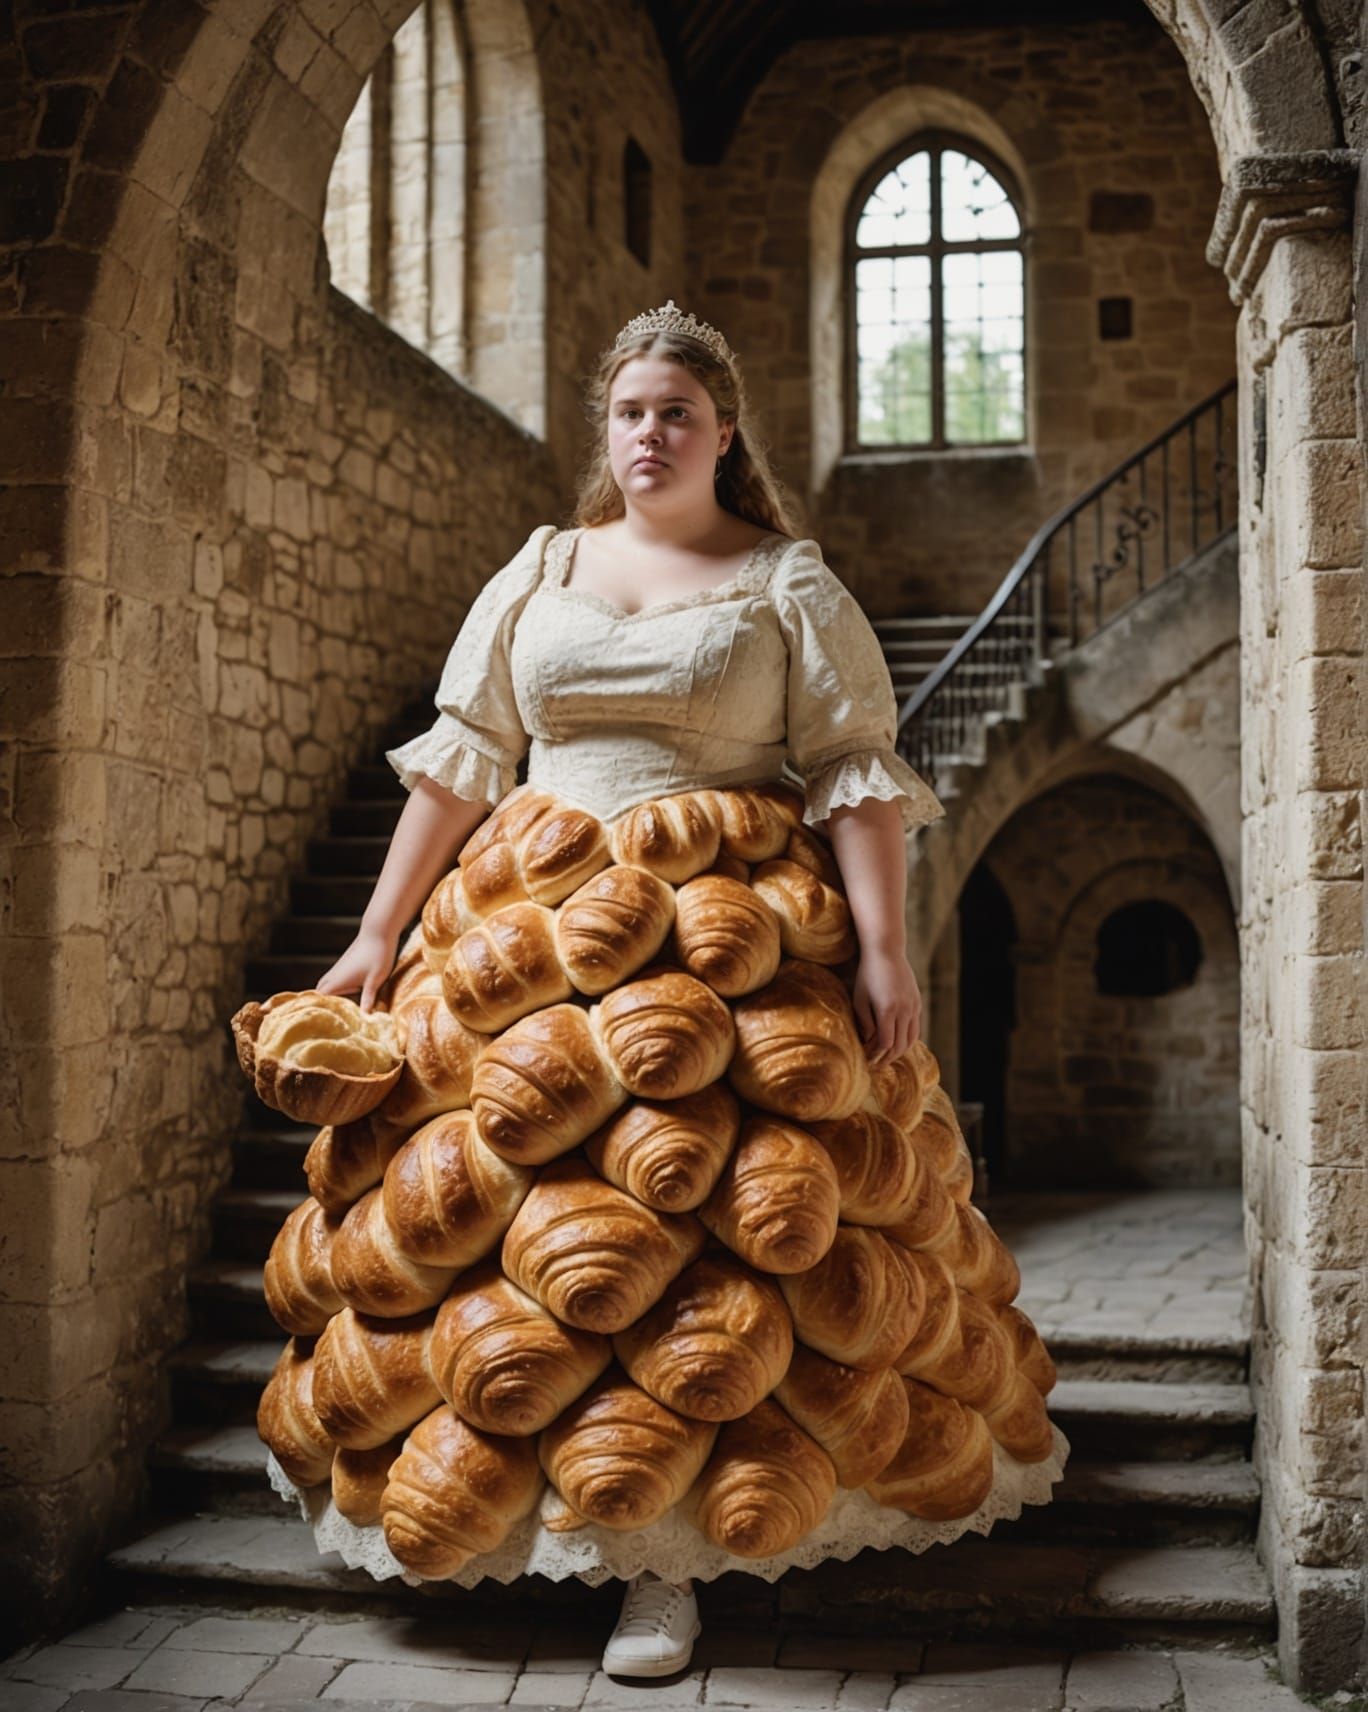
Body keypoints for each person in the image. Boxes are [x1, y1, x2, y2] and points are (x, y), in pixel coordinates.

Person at [305, 300, 1064, 1678]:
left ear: (723, 435)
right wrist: (375, 932)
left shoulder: (785, 582)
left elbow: (851, 770)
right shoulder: (539, 569)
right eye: (628, 413)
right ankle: (529, 1505)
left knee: (732, 1230)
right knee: (487, 1213)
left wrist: (887, 951)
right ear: (607, 432)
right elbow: (465, 754)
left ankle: (664, 1566)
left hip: (730, 919)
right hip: (524, 914)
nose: (648, 434)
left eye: (675, 413)